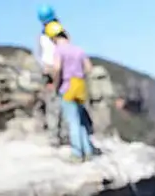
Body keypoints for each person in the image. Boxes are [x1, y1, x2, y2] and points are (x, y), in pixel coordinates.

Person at [45, 21, 97, 162]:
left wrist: (55, 84)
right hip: (79, 85)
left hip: (66, 86)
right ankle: (88, 151)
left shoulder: (59, 50)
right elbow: (89, 68)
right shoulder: (78, 50)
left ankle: (77, 153)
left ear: (53, 38)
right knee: (80, 121)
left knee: (72, 121)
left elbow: (57, 68)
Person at [34, 5, 63, 146]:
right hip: (59, 70)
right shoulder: (60, 32)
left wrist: (44, 68)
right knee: (61, 102)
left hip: (48, 70)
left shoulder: (42, 35)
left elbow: (39, 54)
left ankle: (54, 136)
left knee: (52, 104)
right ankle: (61, 134)